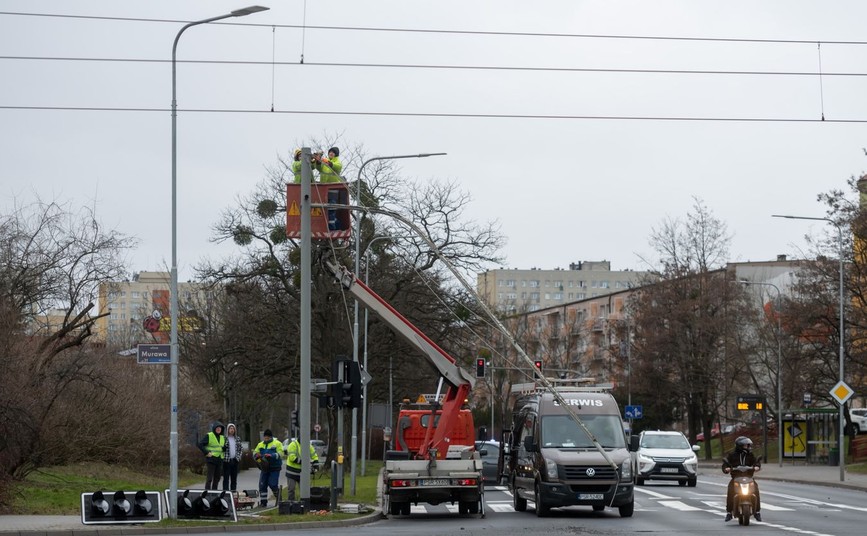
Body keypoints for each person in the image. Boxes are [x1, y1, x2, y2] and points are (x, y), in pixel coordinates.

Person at [722, 436, 762, 522]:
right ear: (740, 446)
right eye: (746, 445)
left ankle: (757, 512)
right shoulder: (732, 455)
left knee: (756, 489)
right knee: (730, 490)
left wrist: (757, 466)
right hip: (736, 478)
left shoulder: (750, 455)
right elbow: (725, 464)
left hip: (748, 478)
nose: (748, 447)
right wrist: (726, 468)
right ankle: (729, 512)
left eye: (748, 445)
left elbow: (756, 462)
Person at [253, 429, 284, 507]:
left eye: (268, 438)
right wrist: (257, 456)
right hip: (264, 468)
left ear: (271, 437)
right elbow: (255, 452)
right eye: (265, 438)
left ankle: (279, 498)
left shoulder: (277, 443)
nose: (266, 439)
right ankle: (263, 502)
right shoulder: (260, 444)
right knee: (262, 485)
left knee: (273, 484)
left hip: (275, 468)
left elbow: (281, 453)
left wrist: (272, 455)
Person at [198, 422, 225, 490]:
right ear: (214, 428)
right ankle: (207, 492)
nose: (219, 429)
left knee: (217, 478)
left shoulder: (223, 437)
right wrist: (206, 452)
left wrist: (224, 448)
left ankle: (214, 492)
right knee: (209, 478)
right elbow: (200, 444)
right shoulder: (209, 435)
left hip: (219, 459)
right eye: (217, 428)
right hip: (211, 459)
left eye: (220, 428)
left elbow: (221, 447)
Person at [221, 423, 243, 492]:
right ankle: (226, 493)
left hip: (235, 460)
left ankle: (233, 492)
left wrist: (238, 457)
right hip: (227, 460)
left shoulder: (238, 438)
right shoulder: (224, 438)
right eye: (230, 428)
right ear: (228, 430)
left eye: (233, 428)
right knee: (226, 478)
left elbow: (240, 449)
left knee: (234, 478)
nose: (232, 430)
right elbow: (222, 449)